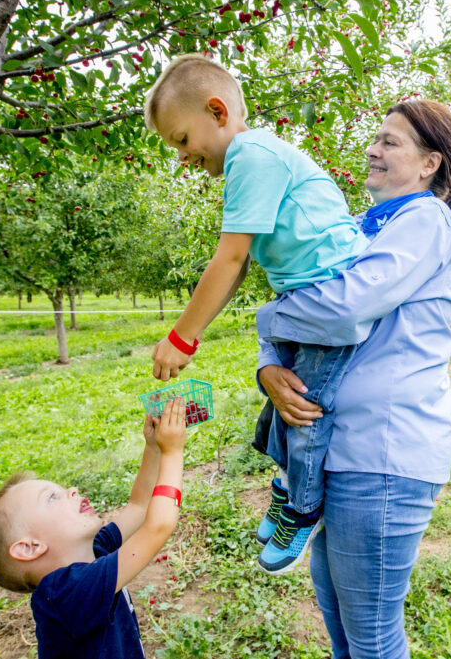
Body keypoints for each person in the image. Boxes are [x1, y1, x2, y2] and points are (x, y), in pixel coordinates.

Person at [255, 99, 451, 659]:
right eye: (375, 139)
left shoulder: (425, 220)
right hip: (341, 449)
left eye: (390, 142)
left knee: (372, 634)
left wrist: (264, 320)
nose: (372, 150)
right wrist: (268, 363)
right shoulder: (361, 227)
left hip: (383, 454)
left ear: (430, 163)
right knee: (338, 612)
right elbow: (300, 298)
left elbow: (340, 309)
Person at [142, 54, 369, 574]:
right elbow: (238, 264)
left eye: (181, 140)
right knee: (275, 408)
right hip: (303, 299)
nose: (182, 157)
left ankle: (304, 509)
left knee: (304, 411)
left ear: (217, 111)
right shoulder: (250, 159)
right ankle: (287, 485)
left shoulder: (250, 154)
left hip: (331, 300)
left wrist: (181, 339)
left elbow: (231, 257)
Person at [0, 398, 187, 659]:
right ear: (30, 547)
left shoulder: (95, 551)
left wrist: (153, 448)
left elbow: (139, 506)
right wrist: (173, 452)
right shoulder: (66, 595)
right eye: (52, 497)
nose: (71, 491)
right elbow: (158, 526)